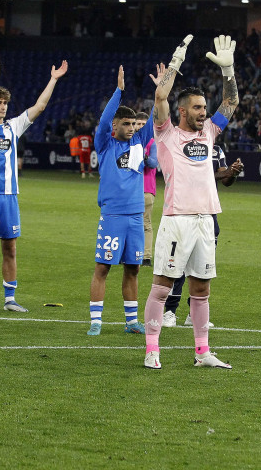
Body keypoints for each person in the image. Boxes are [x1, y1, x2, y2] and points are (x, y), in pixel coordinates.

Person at [143, 34, 239, 370]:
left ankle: (202, 352)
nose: (204, 112)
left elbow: (231, 104)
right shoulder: (166, 133)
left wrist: (228, 71)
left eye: (204, 108)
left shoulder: (209, 132)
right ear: (181, 111)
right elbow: (159, 95)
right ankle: (152, 349)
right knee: (162, 287)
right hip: (177, 220)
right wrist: (175, 62)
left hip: (204, 219)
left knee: (201, 290)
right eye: (197, 108)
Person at [0, 59, 68, 314]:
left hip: (9, 197)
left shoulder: (13, 127)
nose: (1, 107)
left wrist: (53, 79)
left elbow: (40, 106)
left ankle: (10, 298)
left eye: (4, 103)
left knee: (10, 247)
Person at [87, 66, 154, 336]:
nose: (130, 128)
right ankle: (95, 321)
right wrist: (119, 91)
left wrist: (161, 94)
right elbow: (103, 121)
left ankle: (131, 321)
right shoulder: (105, 145)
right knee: (103, 267)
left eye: (132, 124)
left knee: (133, 269)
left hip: (136, 216)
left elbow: (155, 119)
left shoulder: (139, 143)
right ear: (115, 126)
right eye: (125, 124)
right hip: (113, 215)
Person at [163, 135, 242, 327]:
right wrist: (224, 173)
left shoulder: (216, 150)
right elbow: (192, 175)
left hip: (208, 215)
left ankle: (194, 315)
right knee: (177, 266)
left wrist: (232, 173)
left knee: (202, 268)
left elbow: (225, 181)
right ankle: (170, 312)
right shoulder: (183, 147)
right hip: (184, 212)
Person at [137, 111, 158, 269]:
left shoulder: (152, 142)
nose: (140, 127)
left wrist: (142, 157)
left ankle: (146, 257)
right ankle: (130, 254)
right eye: (138, 124)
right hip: (129, 190)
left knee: (145, 224)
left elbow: (153, 163)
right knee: (129, 223)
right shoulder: (130, 142)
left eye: (143, 124)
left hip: (146, 189)